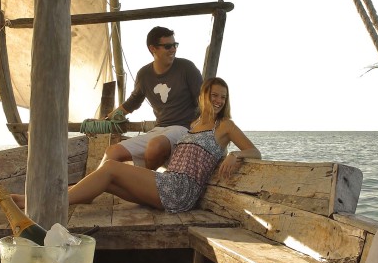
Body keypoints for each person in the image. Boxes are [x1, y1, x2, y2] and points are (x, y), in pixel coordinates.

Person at [31, 77, 259, 213]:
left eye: (223, 97)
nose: (218, 101)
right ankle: (65, 196)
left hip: (180, 190)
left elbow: (254, 152)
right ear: (203, 96)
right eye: (214, 95)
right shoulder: (195, 123)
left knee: (110, 166)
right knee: (107, 182)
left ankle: (47, 202)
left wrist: (235, 156)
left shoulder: (225, 125)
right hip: (169, 182)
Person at [107, 26, 204, 169]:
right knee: (112, 152)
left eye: (175, 45)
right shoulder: (144, 74)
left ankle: (146, 186)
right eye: (168, 46)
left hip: (184, 128)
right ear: (153, 48)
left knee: (154, 146)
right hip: (159, 130)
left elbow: (204, 100)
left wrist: (200, 126)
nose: (173, 49)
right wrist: (108, 119)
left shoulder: (186, 67)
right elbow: (133, 102)